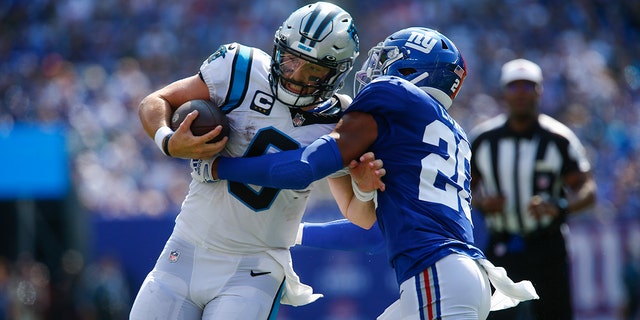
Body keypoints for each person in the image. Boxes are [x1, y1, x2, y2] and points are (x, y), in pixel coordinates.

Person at [205, 27, 539, 319]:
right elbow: (374, 233)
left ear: (410, 68)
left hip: (438, 274)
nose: (375, 68)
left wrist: (218, 167)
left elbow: (304, 167)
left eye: (388, 58)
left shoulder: (393, 93)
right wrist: (293, 231)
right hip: (457, 277)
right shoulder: (447, 132)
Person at [130, 2, 363, 319]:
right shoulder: (239, 68)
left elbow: (353, 208)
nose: (296, 75)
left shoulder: (341, 119)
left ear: (335, 73)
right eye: (292, 60)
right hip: (186, 246)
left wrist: (363, 188)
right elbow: (155, 101)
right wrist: (167, 141)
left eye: (314, 70)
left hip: (255, 266)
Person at [468, 58, 597, 319]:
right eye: (514, 87)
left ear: (539, 90)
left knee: (554, 313)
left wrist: (560, 207)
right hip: (501, 242)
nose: (520, 94)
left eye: (528, 87)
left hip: (547, 243)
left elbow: (587, 189)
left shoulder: (558, 138)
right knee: (495, 314)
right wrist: (482, 204)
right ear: (504, 92)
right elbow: (462, 188)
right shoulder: (483, 139)